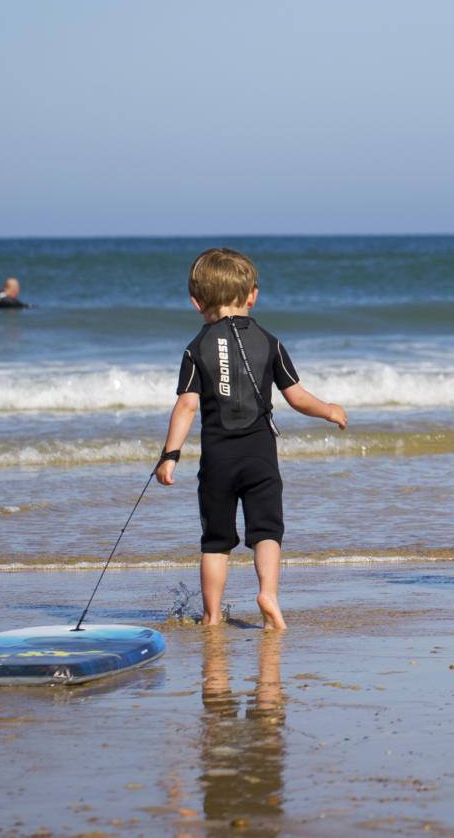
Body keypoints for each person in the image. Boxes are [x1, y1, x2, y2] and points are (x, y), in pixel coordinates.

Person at [155, 247, 347, 630]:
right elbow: (296, 397)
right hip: (260, 455)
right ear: (252, 295)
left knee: (216, 540)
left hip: (218, 461)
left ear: (196, 303)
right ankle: (268, 595)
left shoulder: (196, 348)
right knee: (267, 531)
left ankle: (211, 616)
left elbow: (186, 406)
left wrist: (170, 455)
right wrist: (329, 409)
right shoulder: (269, 341)